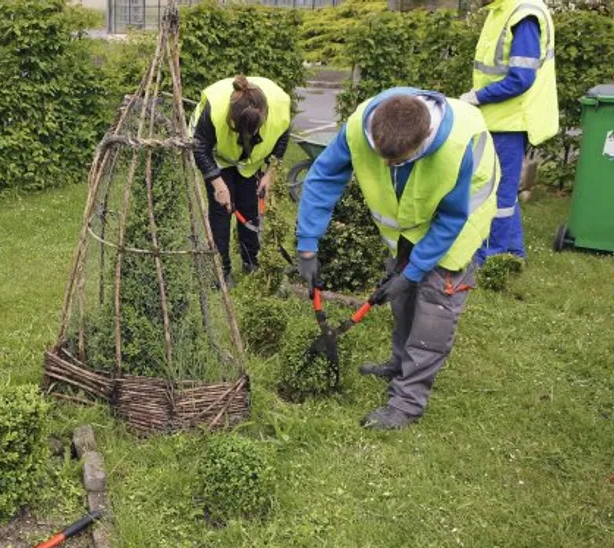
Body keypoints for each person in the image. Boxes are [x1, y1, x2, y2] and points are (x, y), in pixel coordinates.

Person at [296, 88, 499, 430]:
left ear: (422, 145)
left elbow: (451, 217)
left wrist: (418, 268)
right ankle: (399, 363)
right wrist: (307, 245)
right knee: (401, 293)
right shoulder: (362, 124)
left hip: (461, 215)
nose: (387, 166)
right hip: (412, 216)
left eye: (397, 162)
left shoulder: (454, 149)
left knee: (433, 308)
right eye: (381, 158)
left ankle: (406, 401)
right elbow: (323, 177)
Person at [461, 0, 558, 262]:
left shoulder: (522, 14)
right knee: (500, 189)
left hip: (510, 121)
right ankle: (513, 253)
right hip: (500, 118)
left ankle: (492, 258)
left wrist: (478, 96)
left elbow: (521, 79)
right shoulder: (502, 10)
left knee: (496, 194)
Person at [191, 75, 291, 285]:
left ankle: (251, 261)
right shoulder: (215, 109)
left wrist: (270, 173)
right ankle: (221, 269)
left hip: (250, 162)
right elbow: (200, 147)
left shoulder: (280, 106)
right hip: (218, 155)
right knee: (222, 210)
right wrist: (218, 184)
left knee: (249, 206)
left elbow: (282, 137)